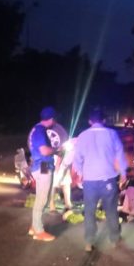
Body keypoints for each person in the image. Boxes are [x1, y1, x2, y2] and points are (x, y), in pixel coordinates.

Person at [74, 108, 128, 252]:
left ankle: (89, 241)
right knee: (111, 210)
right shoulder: (111, 134)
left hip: (89, 181)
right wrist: (123, 173)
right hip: (108, 179)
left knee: (89, 211)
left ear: (89, 121)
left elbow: (77, 158)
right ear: (104, 120)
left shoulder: (83, 136)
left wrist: (80, 173)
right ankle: (114, 239)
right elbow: (120, 155)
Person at [27, 106, 58, 242]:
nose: (55, 122)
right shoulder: (40, 131)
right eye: (55, 119)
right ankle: (38, 231)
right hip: (43, 165)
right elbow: (44, 151)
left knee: (42, 197)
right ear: (51, 119)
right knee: (42, 199)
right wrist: (57, 150)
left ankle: (34, 226)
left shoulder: (36, 129)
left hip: (41, 165)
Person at [49, 137, 76, 217]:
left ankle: (68, 204)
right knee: (53, 186)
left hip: (63, 168)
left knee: (65, 185)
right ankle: (52, 205)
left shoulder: (70, 147)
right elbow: (59, 160)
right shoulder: (57, 146)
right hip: (54, 168)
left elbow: (68, 162)